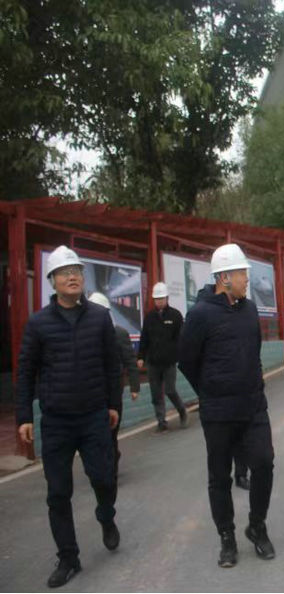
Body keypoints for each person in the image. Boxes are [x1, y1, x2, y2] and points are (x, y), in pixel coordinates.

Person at [16, 246, 121, 588]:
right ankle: (68, 557)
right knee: (58, 493)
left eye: (76, 271)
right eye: (64, 273)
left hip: (93, 416)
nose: (72, 276)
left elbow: (112, 364)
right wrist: (24, 416)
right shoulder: (38, 323)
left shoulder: (99, 317)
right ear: (53, 281)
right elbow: (26, 371)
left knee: (104, 478)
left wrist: (113, 404)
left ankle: (106, 515)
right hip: (57, 422)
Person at [178, 243, 275, 568]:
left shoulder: (249, 310)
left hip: (253, 406)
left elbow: (254, 351)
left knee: (263, 463)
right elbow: (187, 361)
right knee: (219, 476)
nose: (247, 279)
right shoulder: (200, 314)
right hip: (218, 412)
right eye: (242, 273)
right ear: (224, 277)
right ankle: (227, 537)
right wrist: (209, 391)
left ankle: (256, 526)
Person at [87, 292, 140, 483]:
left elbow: (130, 361)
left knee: (111, 432)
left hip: (113, 391)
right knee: (95, 434)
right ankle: (106, 462)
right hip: (92, 391)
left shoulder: (118, 333)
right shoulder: (84, 335)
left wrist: (134, 386)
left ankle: (111, 471)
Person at [137, 282, 187, 431]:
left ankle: (182, 412)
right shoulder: (149, 317)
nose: (159, 301)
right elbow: (144, 338)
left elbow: (181, 338)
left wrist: (179, 354)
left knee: (170, 390)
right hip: (153, 361)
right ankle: (161, 421)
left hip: (169, 361)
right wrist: (141, 357)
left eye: (161, 298)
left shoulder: (175, 316)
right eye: (157, 299)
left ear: (167, 298)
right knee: (156, 393)